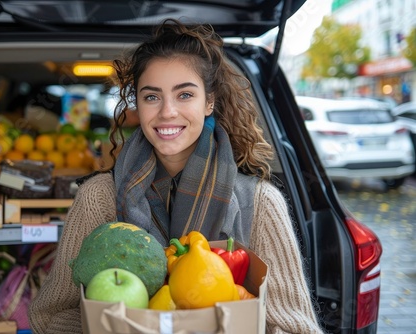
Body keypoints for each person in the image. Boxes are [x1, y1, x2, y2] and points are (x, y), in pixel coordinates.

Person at [28, 19, 324, 334]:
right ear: (137, 105)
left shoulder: (260, 204)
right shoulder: (98, 198)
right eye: (152, 97)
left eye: (184, 95)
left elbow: (297, 327)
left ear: (209, 102)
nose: (167, 111)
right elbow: (48, 316)